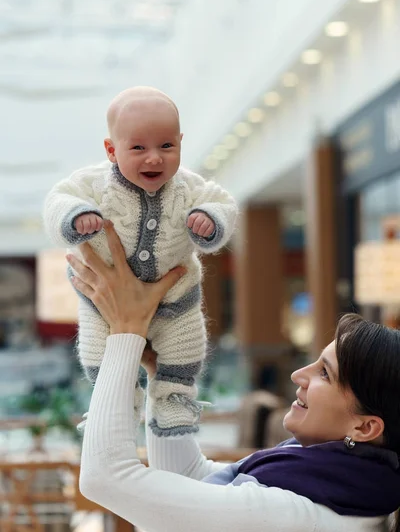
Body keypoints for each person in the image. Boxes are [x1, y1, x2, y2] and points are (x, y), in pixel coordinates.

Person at [73, 221, 400, 532]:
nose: (299, 374)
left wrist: (125, 331)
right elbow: (189, 477)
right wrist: (164, 372)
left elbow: (105, 477)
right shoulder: (341, 485)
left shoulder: (296, 511)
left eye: (325, 374)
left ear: (365, 427)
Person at [44, 86, 237, 437]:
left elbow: (222, 202)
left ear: (180, 142)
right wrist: (76, 216)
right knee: (98, 356)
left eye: (166, 146)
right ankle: (118, 400)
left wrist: (211, 219)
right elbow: (58, 199)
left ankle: (174, 399)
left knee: (186, 347)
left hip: (176, 302)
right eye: (138, 148)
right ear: (111, 150)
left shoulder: (189, 188)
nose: (154, 158)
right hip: (103, 306)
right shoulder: (93, 184)